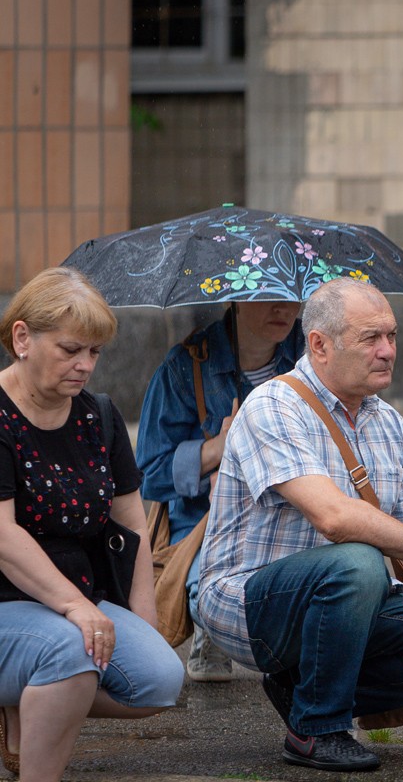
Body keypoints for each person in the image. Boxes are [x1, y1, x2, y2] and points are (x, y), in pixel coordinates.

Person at [195, 277, 403, 772]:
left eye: (392, 336)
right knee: (356, 562)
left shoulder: (390, 423)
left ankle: (302, 686)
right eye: (370, 338)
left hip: (349, 604)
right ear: (320, 345)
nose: (387, 351)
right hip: (248, 604)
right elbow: (333, 519)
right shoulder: (273, 405)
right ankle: (315, 729)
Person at [0, 268, 184, 781]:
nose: (85, 366)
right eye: (70, 350)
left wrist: (143, 619)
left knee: (159, 679)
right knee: (69, 654)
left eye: (95, 353)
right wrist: (76, 609)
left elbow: (133, 527)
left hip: (78, 597)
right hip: (8, 599)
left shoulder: (98, 416)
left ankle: (29, 694)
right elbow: (3, 537)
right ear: (22, 339)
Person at [136, 301, 304, 682]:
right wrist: (216, 450)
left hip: (291, 516)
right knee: (213, 598)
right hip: (206, 525)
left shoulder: (314, 358)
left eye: (292, 293)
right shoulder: (187, 366)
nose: (284, 308)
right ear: (237, 298)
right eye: (267, 294)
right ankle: (212, 628)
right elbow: (150, 474)